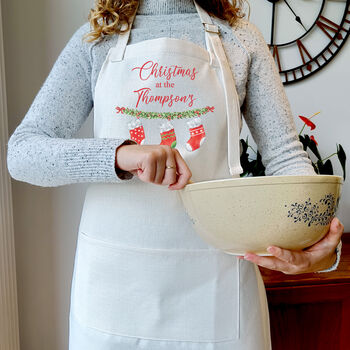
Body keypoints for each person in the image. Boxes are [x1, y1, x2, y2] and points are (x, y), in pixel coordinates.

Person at [6, 0, 344, 349]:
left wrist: (313, 244)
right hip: (113, 297)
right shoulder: (96, 41)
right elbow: (23, 153)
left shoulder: (240, 40)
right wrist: (120, 154)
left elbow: (286, 157)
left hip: (217, 294)